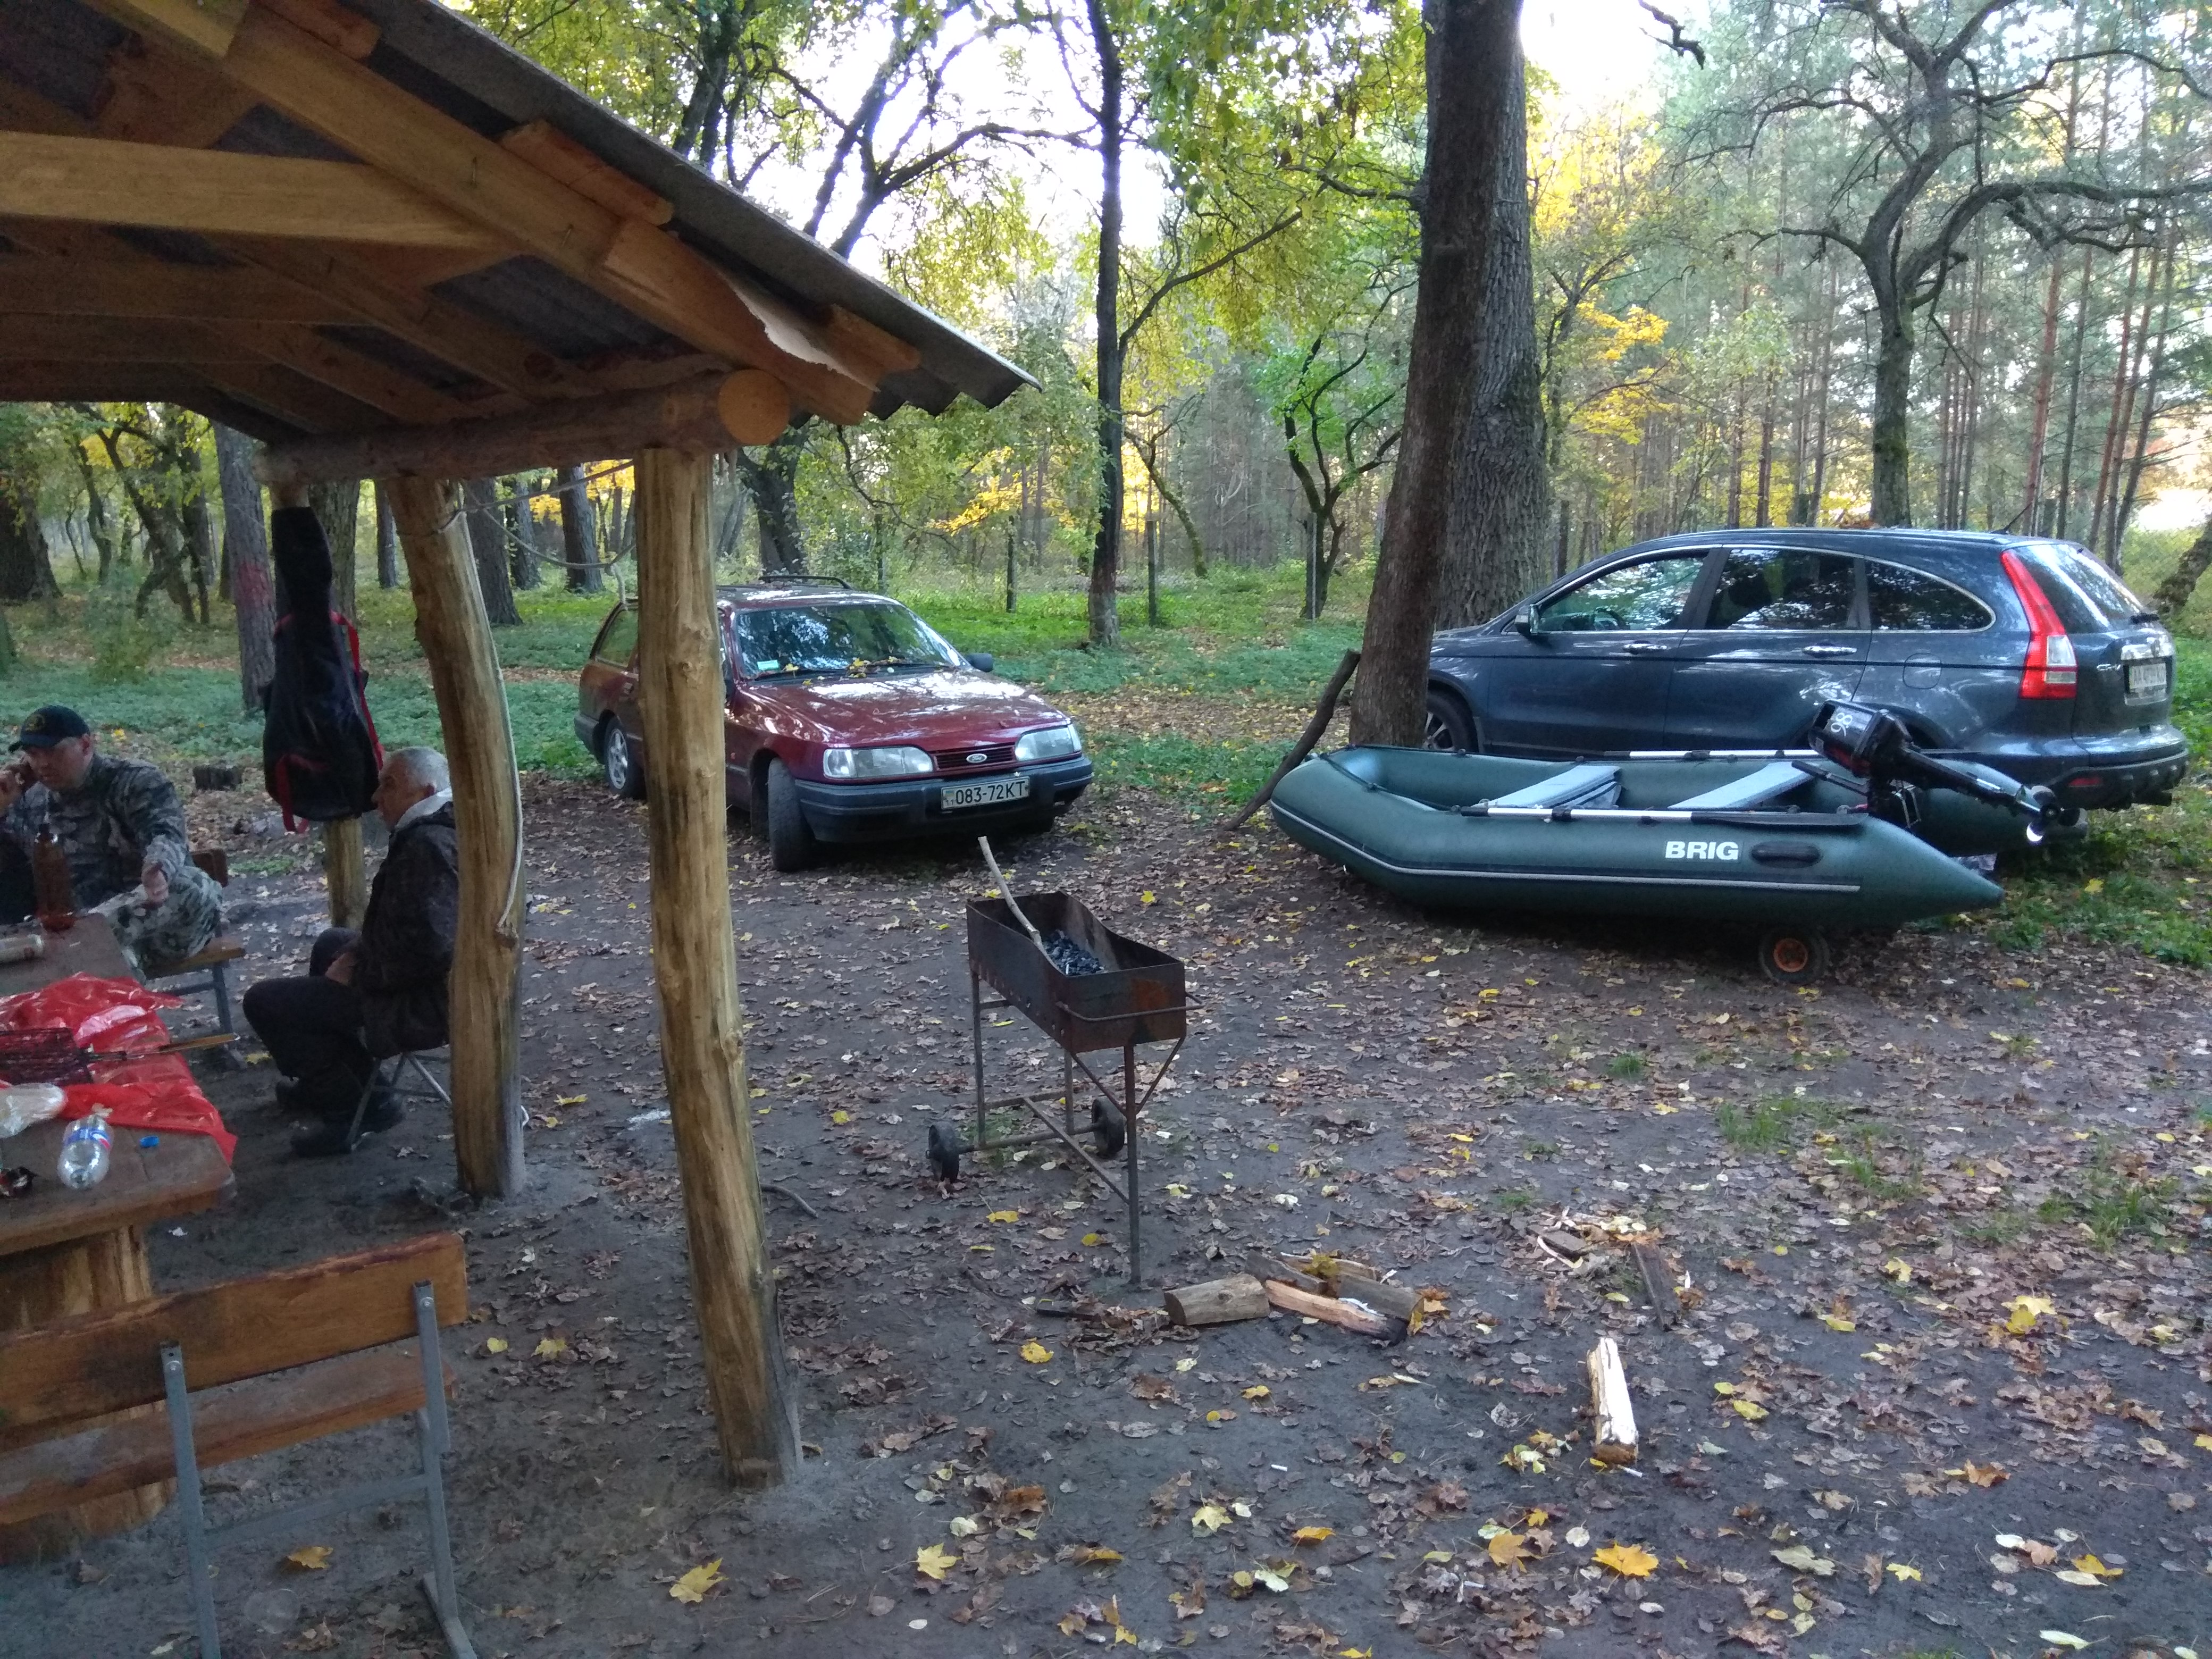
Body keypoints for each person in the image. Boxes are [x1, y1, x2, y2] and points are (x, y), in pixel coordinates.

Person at [242, 746, 458, 1157]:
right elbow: (411, 927)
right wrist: (358, 952)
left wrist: (361, 972)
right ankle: (355, 1088)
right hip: (430, 981)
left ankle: (351, 1110)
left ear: (426, 792)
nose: (376, 797)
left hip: (432, 1000)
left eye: (389, 786)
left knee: (263, 1001)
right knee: (332, 943)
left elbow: (433, 948)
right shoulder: (437, 827)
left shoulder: (430, 844)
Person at [0, 705, 223, 972]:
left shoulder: (134, 781)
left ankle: (83, 942)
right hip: (88, 938)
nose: (42, 764)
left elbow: (166, 833)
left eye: (53, 752)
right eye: (33, 754)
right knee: (112, 956)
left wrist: (158, 868)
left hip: (161, 921)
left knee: (190, 884)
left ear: (85, 745)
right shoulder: (28, 800)